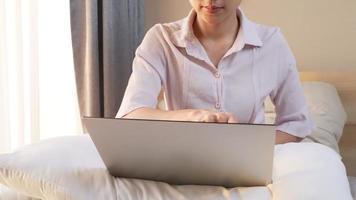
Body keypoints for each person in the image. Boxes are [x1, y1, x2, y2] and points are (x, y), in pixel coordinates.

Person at [116, 0, 352, 199]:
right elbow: (131, 112)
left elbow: (297, 123)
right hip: (181, 164)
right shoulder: (160, 39)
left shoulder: (271, 42)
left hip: (250, 171)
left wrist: (245, 149)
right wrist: (192, 117)